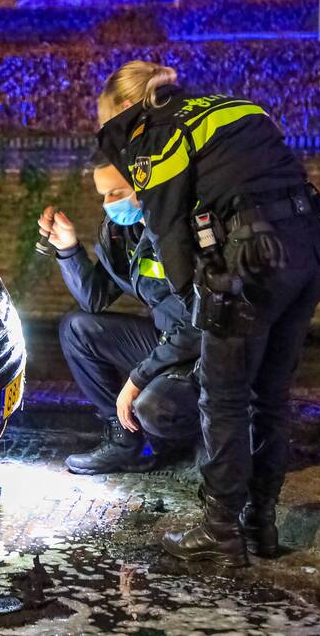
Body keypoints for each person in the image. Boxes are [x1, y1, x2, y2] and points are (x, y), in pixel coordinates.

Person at [96, 60, 320, 567]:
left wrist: (197, 304)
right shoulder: (229, 106)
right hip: (310, 252)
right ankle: (260, 526)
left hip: (251, 263)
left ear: (122, 109)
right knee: (270, 397)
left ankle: (220, 532)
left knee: (223, 398)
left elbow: (167, 228)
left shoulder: (154, 131)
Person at [39, 154, 201, 476]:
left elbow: (200, 325)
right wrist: (69, 249)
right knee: (77, 329)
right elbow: (94, 298)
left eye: (115, 192)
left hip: (203, 350)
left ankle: (204, 435)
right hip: (166, 338)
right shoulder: (122, 232)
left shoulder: (184, 230)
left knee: (153, 406)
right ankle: (125, 441)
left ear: (144, 185)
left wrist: (137, 379)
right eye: (103, 195)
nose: (108, 203)